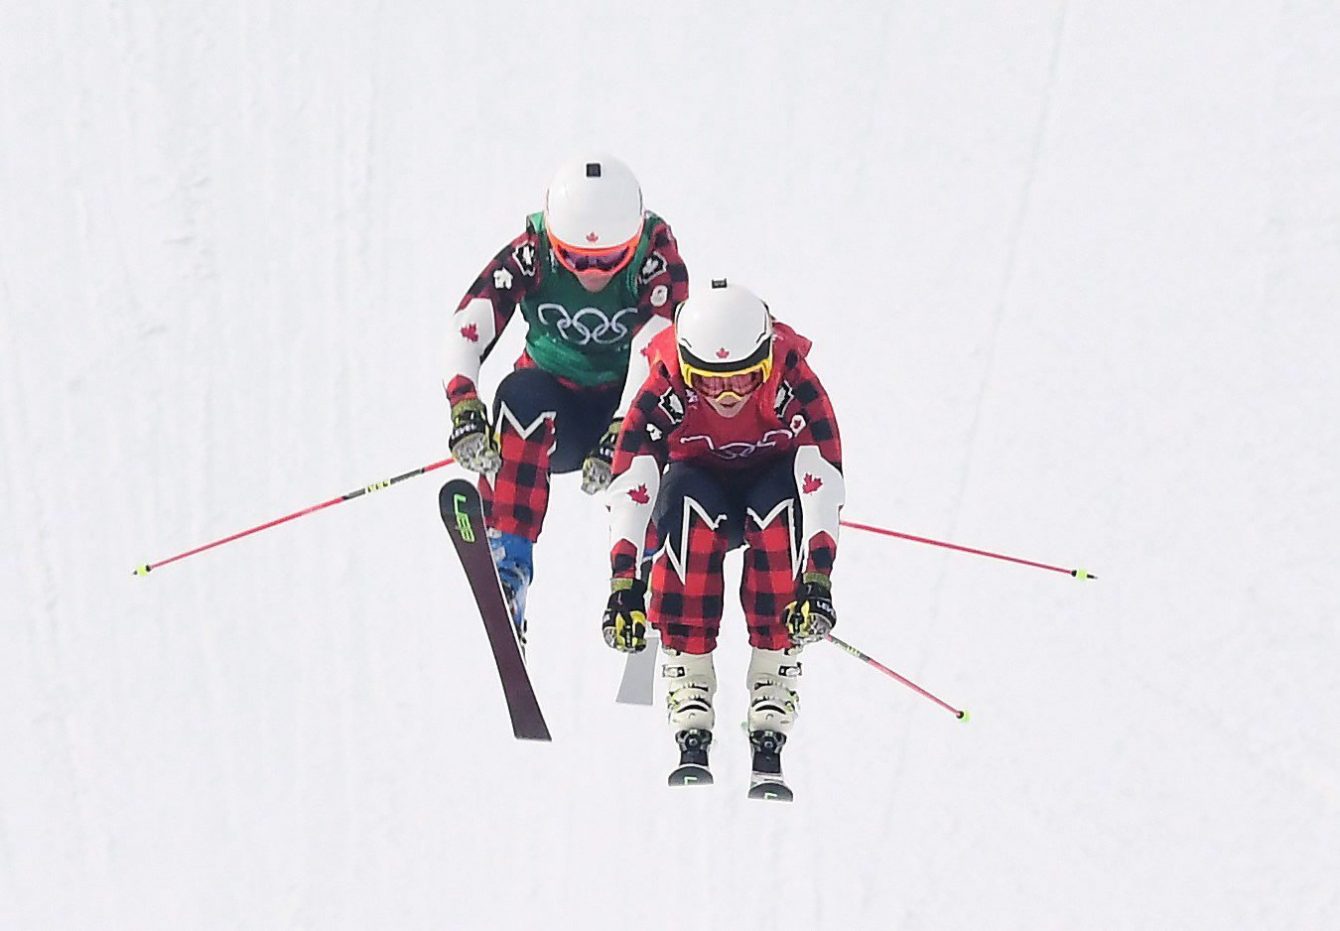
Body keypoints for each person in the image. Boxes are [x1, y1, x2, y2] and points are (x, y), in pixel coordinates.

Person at [600, 279, 845, 794]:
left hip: (769, 485)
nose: (728, 396)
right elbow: (634, 488)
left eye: (743, 380)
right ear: (688, 369)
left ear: (766, 360)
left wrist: (817, 579)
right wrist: (625, 584)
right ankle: (689, 679)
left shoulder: (791, 377)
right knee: (683, 507)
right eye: (709, 384)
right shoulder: (664, 384)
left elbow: (822, 476)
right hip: (699, 488)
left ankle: (775, 678)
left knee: (778, 511)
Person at [443, 155, 689, 647]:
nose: (592, 272)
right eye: (575, 259)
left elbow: (658, 347)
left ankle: (643, 576)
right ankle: (510, 564)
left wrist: (625, 425)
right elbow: (469, 323)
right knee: (519, 396)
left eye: (609, 259)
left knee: (669, 439)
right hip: (556, 408)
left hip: (626, 405)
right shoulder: (532, 252)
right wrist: (464, 402)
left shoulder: (655, 258)